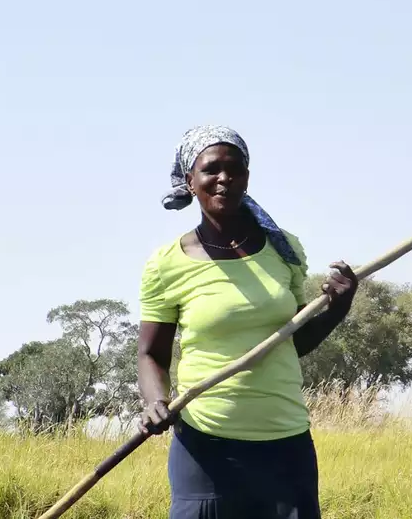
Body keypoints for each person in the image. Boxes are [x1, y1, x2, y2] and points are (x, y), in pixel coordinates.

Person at [137, 125, 358, 519]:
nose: (224, 178)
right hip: (204, 447)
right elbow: (151, 353)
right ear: (190, 181)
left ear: (247, 177)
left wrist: (338, 308)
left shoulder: (283, 248)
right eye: (211, 169)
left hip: (285, 444)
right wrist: (156, 402)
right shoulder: (166, 263)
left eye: (235, 169)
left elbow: (294, 341)